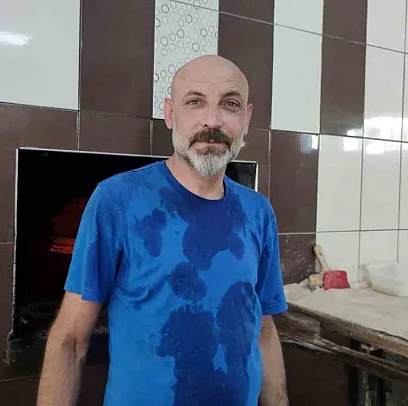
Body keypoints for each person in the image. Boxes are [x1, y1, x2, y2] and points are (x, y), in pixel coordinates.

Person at [37, 55, 289, 406]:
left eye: (229, 104)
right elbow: (70, 340)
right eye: (195, 102)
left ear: (246, 119)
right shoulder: (117, 200)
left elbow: (263, 331)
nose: (212, 120)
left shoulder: (258, 211)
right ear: (171, 114)